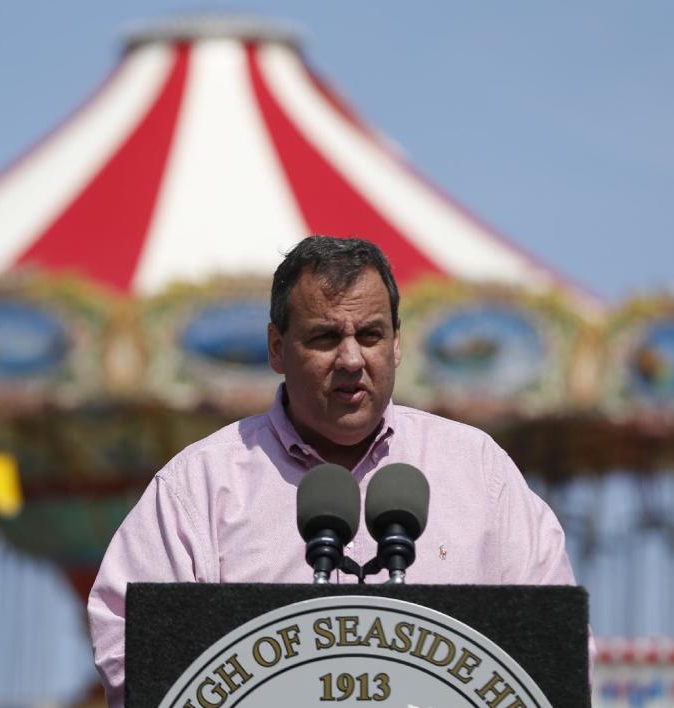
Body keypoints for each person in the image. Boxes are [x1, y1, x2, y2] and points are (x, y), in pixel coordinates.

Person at [87, 236, 579, 706]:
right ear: (277, 348)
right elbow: (128, 638)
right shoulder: (200, 486)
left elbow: (559, 648)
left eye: (370, 335)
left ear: (397, 343)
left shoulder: (478, 472)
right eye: (325, 337)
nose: (350, 359)